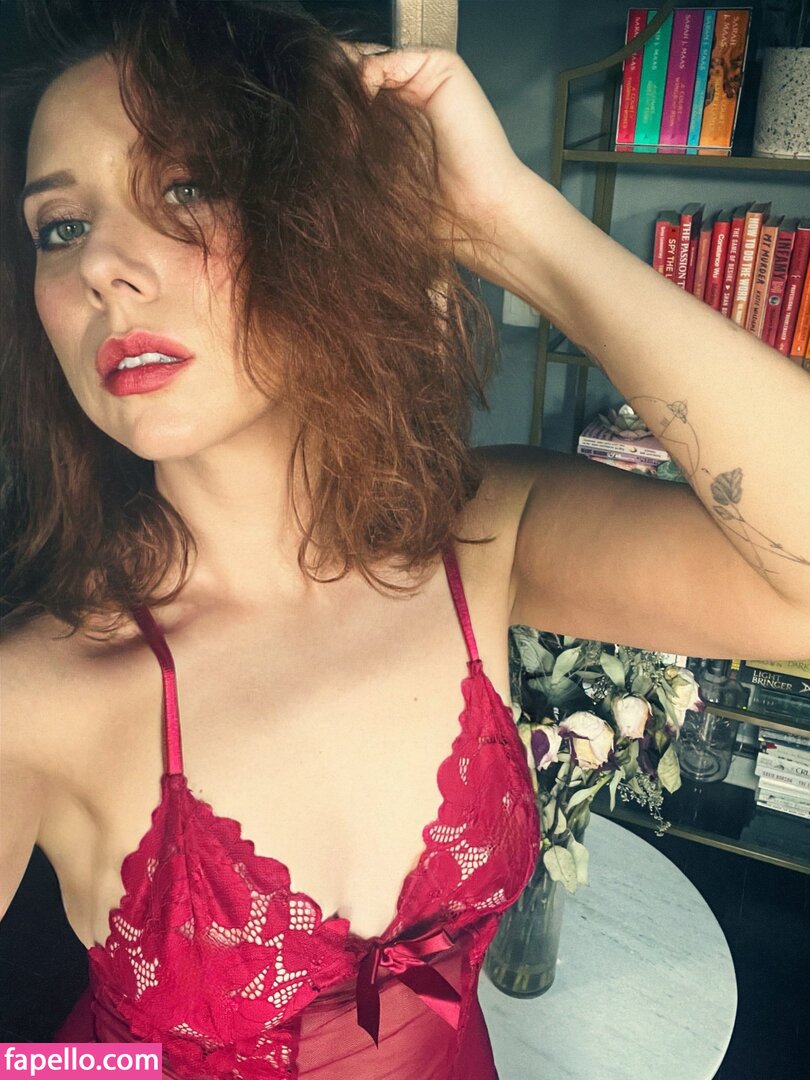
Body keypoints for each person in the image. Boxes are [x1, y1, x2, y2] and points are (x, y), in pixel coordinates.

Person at [1, 1, 808, 1077]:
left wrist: (508, 219)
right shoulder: (37, 693)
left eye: (186, 187)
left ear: (314, 216)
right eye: (61, 227)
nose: (101, 264)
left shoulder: (481, 537)